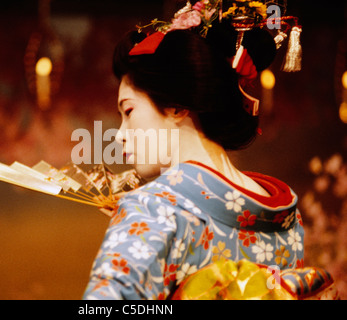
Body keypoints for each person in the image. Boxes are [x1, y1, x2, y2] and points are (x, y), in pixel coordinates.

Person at [83, 1, 304, 300]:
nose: (120, 135)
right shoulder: (285, 217)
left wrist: (140, 220)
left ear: (177, 105)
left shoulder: (152, 211)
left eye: (129, 110)